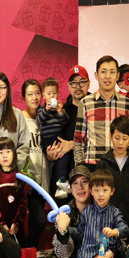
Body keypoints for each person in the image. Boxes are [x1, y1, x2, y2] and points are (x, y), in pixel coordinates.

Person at [73, 56, 129, 167]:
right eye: (103, 72)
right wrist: (81, 168)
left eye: (112, 72)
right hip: (93, 167)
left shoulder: (127, 104)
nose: (107, 76)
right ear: (96, 75)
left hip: (120, 167)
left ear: (117, 76)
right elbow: (79, 141)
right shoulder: (85, 103)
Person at [96, 115, 129, 230]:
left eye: (124, 139)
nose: (120, 143)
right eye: (117, 138)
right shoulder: (103, 163)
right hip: (108, 220)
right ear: (110, 136)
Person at [46, 66, 91, 196]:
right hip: (63, 181)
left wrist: (72, 144)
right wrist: (50, 154)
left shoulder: (96, 109)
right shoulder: (60, 112)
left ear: (88, 84)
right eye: (73, 83)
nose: (78, 87)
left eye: (82, 82)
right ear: (68, 86)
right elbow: (51, 141)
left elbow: (102, 141)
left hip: (89, 177)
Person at [21, 79, 48, 248]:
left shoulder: (46, 117)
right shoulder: (19, 119)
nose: (34, 97)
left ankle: (29, 257)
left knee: (34, 223)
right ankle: (25, 252)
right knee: (38, 221)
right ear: (24, 97)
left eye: (37, 93)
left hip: (44, 178)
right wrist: (23, 177)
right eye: (30, 94)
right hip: (28, 180)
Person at [0, 136, 29, 242]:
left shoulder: (20, 177)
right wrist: (2, 224)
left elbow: (23, 202)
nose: (5, 155)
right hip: (0, 229)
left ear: (14, 154)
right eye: (1, 152)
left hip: (17, 228)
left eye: (8, 151)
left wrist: (16, 223)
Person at [36, 77, 69, 199]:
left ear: (58, 94)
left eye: (54, 93)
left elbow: (65, 122)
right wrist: (46, 109)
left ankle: (62, 182)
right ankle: (61, 182)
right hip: (48, 142)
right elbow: (39, 120)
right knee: (54, 162)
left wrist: (60, 112)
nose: (52, 96)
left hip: (59, 140)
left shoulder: (60, 109)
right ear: (44, 95)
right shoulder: (41, 109)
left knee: (64, 156)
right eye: (49, 93)